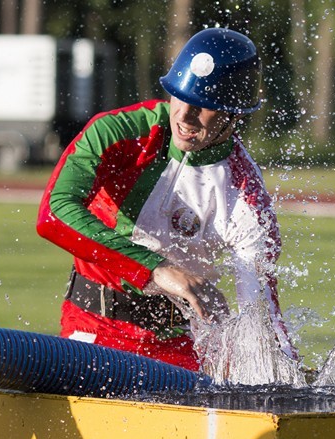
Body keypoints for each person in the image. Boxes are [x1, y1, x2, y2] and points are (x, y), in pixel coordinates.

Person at [37, 27, 298, 371]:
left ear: (234, 114)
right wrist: (157, 270)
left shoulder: (247, 197)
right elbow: (54, 215)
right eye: (179, 95)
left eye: (204, 107)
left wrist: (283, 375)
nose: (184, 116)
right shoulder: (116, 132)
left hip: (182, 349)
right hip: (93, 327)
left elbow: (263, 322)